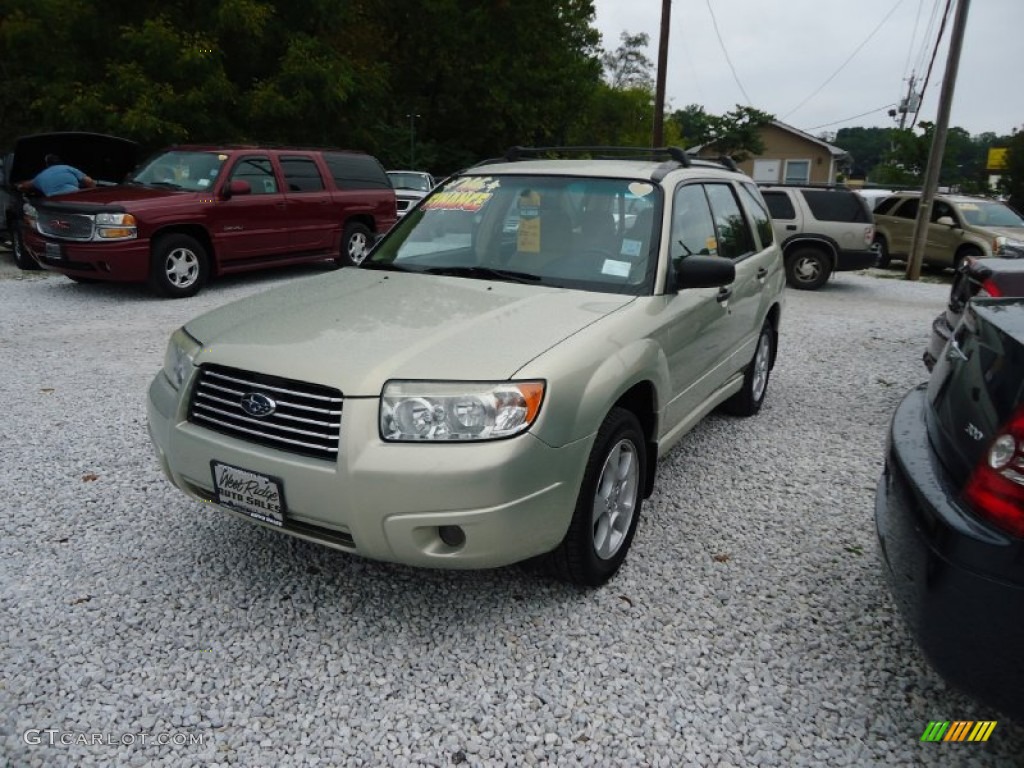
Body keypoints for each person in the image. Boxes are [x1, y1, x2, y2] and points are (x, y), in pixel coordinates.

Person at [17, 154, 95, 196]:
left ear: (47, 164)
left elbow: (23, 186)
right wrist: (92, 194)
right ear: (59, 161)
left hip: (53, 203)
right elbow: (89, 181)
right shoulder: (68, 168)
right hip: (74, 198)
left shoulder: (40, 177)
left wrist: (21, 188)